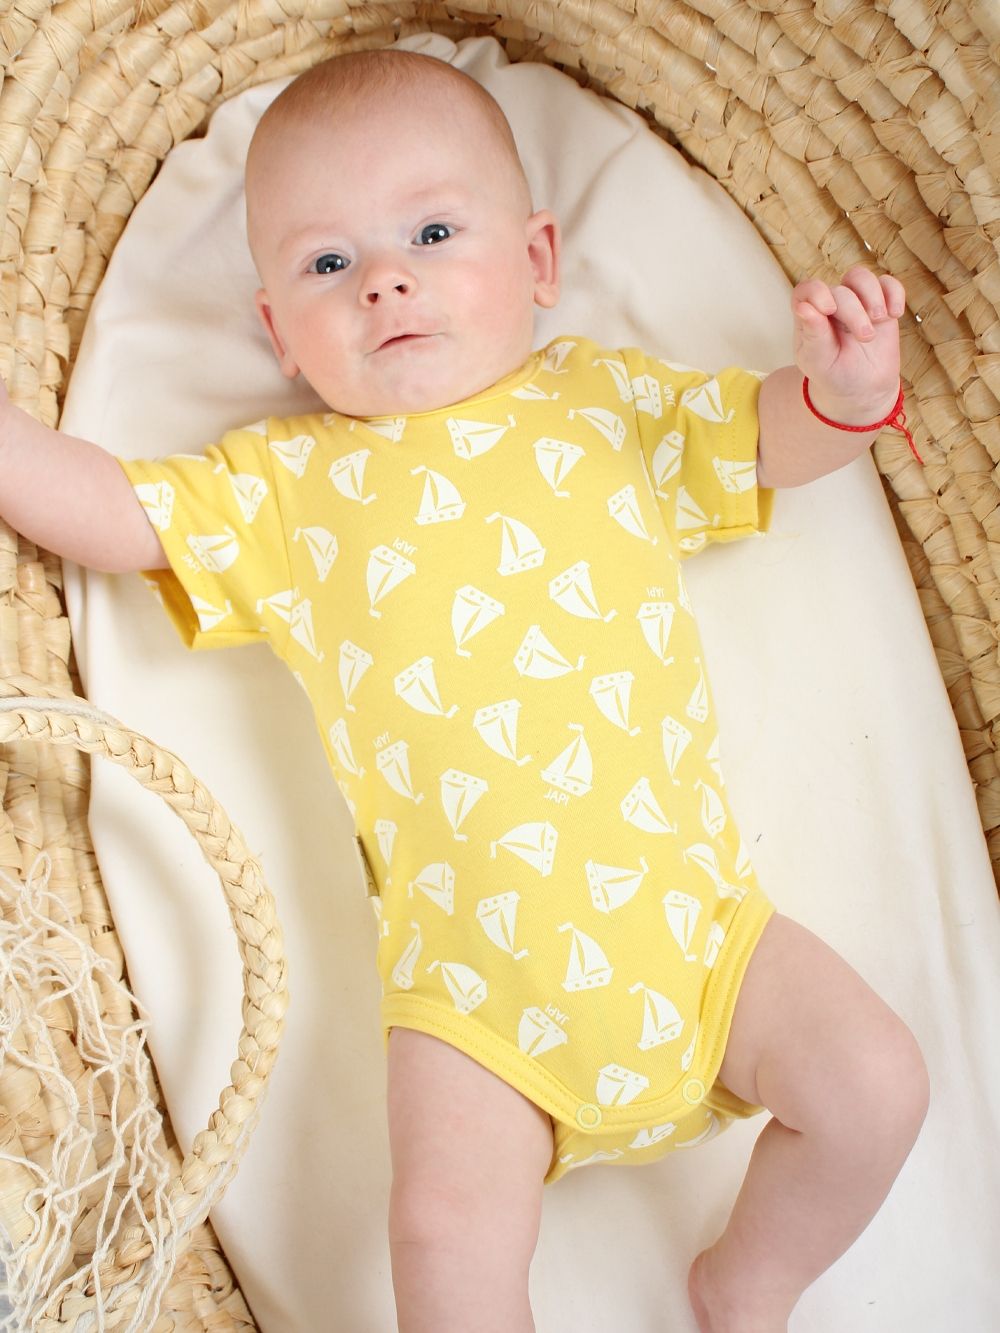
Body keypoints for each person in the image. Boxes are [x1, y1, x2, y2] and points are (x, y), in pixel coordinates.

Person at [0, 48, 929, 1333]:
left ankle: (751, 1277)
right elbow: (115, 511)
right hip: (474, 996)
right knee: (441, 1237)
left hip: (702, 937)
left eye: (433, 234)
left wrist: (849, 392)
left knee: (877, 1084)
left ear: (539, 260)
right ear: (277, 333)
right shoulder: (289, 487)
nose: (384, 279)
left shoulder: (603, 404)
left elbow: (772, 439)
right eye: (328, 263)